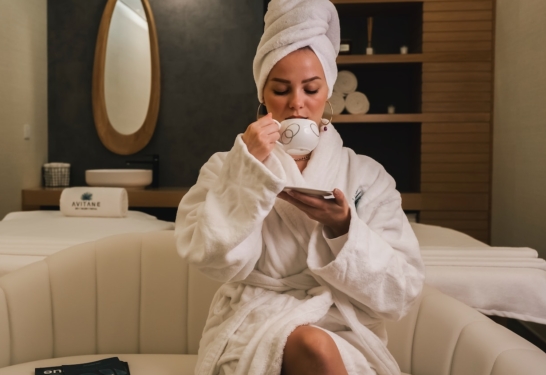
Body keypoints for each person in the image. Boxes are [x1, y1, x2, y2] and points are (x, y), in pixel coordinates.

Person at [174, 0, 425, 374]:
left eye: (311, 89)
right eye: (280, 90)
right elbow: (209, 258)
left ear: (328, 91)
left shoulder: (367, 176)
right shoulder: (226, 166)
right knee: (310, 344)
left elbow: (401, 293)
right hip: (255, 322)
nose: (297, 104)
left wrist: (344, 230)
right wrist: (248, 172)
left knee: (319, 345)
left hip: (342, 327)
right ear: (262, 96)